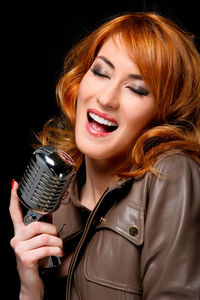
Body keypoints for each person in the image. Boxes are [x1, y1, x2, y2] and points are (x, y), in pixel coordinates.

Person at [10, 12, 200, 299]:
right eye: (100, 72)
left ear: (162, 114)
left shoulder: (171, 174)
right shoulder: (60, 200)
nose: (106, 98)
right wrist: (30, 287)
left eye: (137, 89)